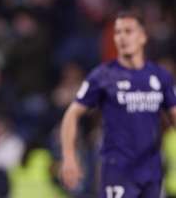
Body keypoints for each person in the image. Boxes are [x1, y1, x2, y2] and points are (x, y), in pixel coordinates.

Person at [60, 11, 176, 198]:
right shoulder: (103, 76)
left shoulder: (160, 76)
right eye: (118, 32)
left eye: (128, 31)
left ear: (143, 37)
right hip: (118, 169)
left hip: (151, 170)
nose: (122, 37)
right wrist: (69, 157)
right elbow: (72, 113)